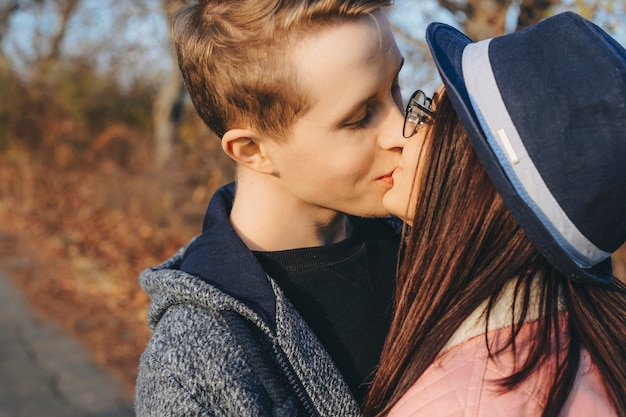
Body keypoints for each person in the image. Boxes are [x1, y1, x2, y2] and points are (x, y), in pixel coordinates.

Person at [135, 1, 407, 416]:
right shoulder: (193, 369)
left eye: (396, 89)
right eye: (359, 117)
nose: (403, 129)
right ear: (253, 150)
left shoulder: (419, 237)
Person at [364, 12, 626, 417]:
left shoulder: (465, 402)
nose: (401, 135)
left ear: (475, 176)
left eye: (428, 118)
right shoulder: (595, 341)